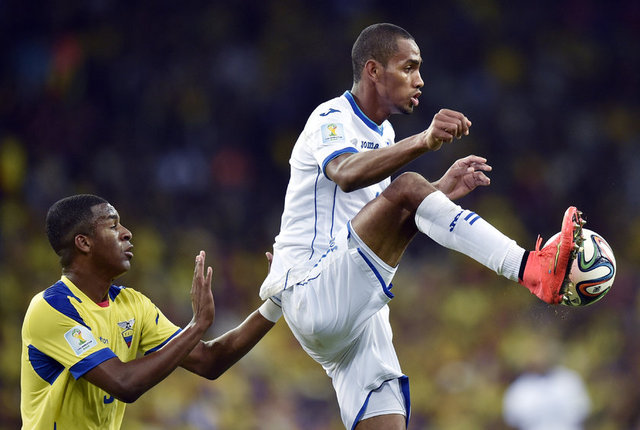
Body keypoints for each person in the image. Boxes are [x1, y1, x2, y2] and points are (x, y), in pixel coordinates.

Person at [259, 23, 585, 430]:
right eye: (409, 67)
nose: (420, 80)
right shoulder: (331, 117)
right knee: (409, 185)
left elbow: (383, 217)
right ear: (373, 70)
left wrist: (440, 191)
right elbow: (344, 172)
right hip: (314, 288)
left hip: (354, 317)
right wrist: (422, 142)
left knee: (387, 423)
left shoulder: (384, 134)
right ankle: (531, 268)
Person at [20, 194, 282, 429]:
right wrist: (196, 326)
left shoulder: (132, 304)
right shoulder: (51, 308)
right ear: (84, 243)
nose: (127, 233)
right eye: (113, 226)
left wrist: (275, 303)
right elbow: (124, 383)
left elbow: (208, 361)